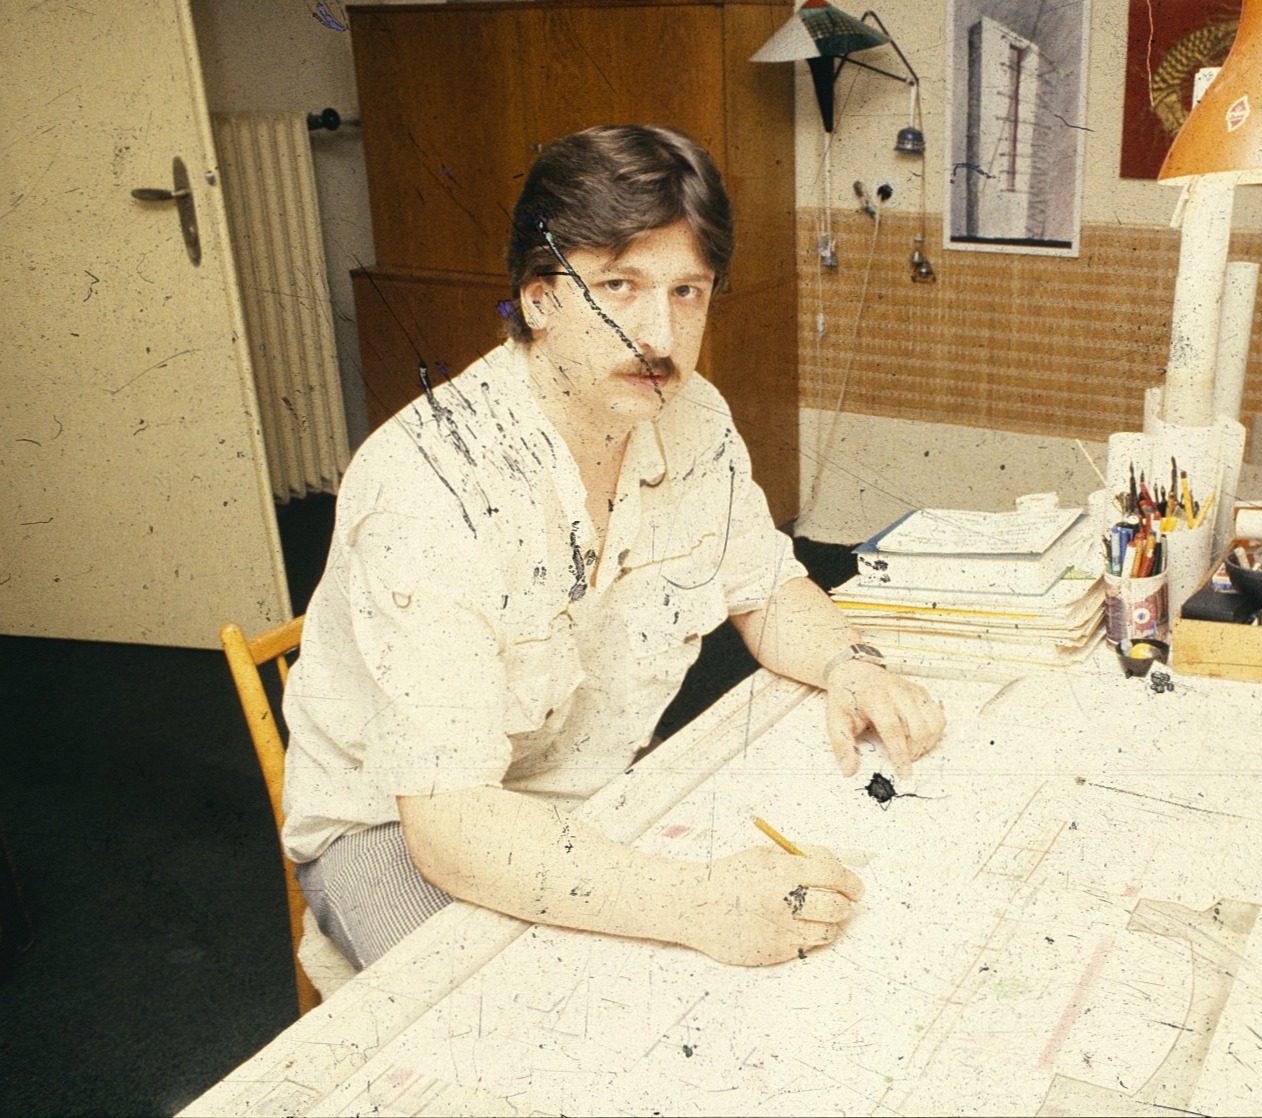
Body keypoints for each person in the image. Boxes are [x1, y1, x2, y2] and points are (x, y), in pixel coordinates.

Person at [281, 125, 945, 971]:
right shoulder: (430, 481)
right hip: (396, 821)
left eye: (686, 293)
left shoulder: (692, 412)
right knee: (533, 1044)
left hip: (581, 788)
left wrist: (853, 663)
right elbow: (448, 826)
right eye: (617, 287)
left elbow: (765, 588)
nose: (658, 338)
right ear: (537, 298)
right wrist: (695, 902)